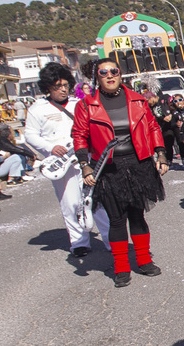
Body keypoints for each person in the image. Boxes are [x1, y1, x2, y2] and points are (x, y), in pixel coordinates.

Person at [72, 58, 169, 288]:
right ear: (97, 76)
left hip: (138, 165)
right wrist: (85, 164)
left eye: (114, 70)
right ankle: (122, 267)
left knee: (138, 215)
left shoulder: (137, 100)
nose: (109, 75)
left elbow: (153, 127)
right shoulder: (86, 105)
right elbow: (79, 136)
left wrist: (161, 153)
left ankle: (144, 261)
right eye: (103, 72)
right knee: (116, 219)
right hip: (108, 168)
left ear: (120, 74)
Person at [23, 62, 109, 256]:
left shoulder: (78, 103)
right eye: (57, 86)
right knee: (70, 202)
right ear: (48, 87)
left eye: (64, 85)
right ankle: (79, 242)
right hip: (61, 163)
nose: (62, 89)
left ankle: (110, 239)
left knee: (95, 199)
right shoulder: (37, 109)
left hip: (84, 158)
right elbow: (30, 135)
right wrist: (50, 147)